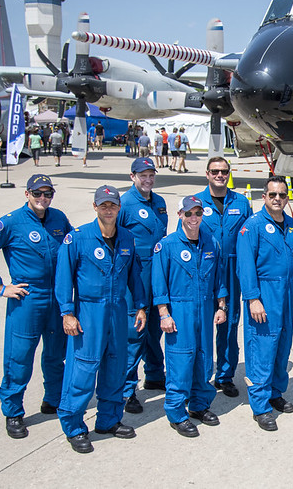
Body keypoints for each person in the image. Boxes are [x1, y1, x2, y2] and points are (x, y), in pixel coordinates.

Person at [0, 174, 72, 439]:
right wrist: (0, 287)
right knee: (19, 356)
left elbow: (73, 250)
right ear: (27, 194)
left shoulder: (59, 218)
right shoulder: (11, 222)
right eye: (37, 193)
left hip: (57, 297)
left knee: (55, 354)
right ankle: (13, 411)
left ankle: (53, 399)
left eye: (47, 193)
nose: (42, 199)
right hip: (27, 298)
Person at [55, 185, 147, 454]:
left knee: (115, 367)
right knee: (82, 369)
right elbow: (63, 278)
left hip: (118, 311)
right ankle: (74, 427)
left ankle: (108, 421)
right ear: (94, 207)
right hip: (88, 313)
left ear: (119, 208)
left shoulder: (127, 238)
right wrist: (67, 313)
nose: (108, 209)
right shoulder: (78, 238)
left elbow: (135, 276)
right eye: (103, 205)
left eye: (113, 205)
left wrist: (140, 307)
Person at [153, 196, 227, 438]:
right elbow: (159, 283)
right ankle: (176, 413)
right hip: (180, 310)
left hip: (205, 308)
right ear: (180, 216)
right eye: (188, 214)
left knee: (204, 359)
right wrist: (164, 313)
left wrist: (221, 306)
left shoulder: (211, 244)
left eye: (197, 213)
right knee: (181, 362)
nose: (193, 218)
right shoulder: (167, 245)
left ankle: (199, 405)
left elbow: (219, 278)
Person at [236, 176, 293, 431]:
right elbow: (245, 266)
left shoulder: (292, 226)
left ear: (288, 198)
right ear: (264, 197)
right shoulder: (252, 226)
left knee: (282, 346)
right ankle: (260, 406)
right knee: (262, 350)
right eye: (273, 195)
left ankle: (276, 392)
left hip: (286, 294)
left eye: (282, 195)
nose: (278, 199)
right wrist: (253, 298)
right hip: (263, 294)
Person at [195, 157, 252, 398]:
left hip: (232, 268)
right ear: (207, 174)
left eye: (224, 171)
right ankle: (201, 375)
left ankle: (225, 375)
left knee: (229, 323)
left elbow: (250, 236)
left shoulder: (241, 202)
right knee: (201, 323)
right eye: (215, 171)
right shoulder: (196, 202)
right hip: (203, 269)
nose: (220, 175)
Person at [118, 157, 168, 414]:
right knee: (134, 333)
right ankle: (127, 391)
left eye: (151, 175)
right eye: (142, 175)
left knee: (154, 329)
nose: (147, 180)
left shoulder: (159, 202)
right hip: (135, 275)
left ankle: (155, 374)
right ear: (132, 177)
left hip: (157, 273)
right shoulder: (124, 204)